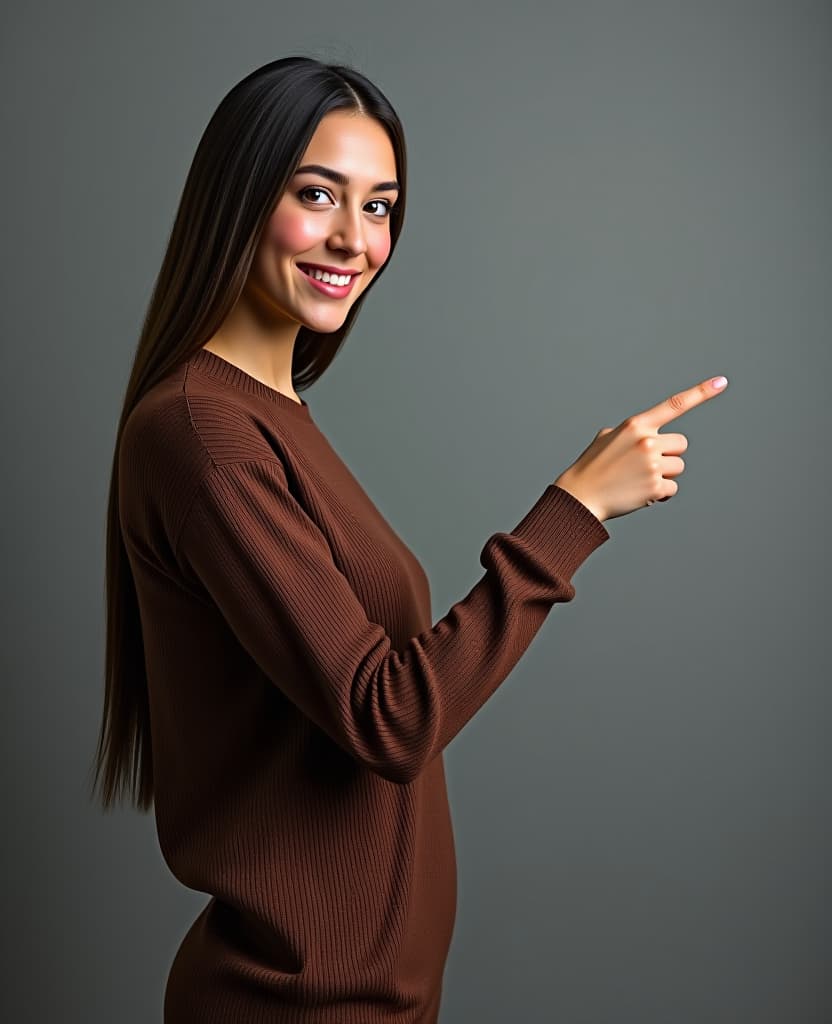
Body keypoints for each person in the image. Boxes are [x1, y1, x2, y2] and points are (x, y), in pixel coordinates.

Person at [88, 55, 728, 1023]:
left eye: (381, 206)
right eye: (317, 195)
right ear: (238, 197)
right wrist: (574, 512)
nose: (356, 238)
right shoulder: (201, 433)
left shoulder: (268, 412)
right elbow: (386, 715)